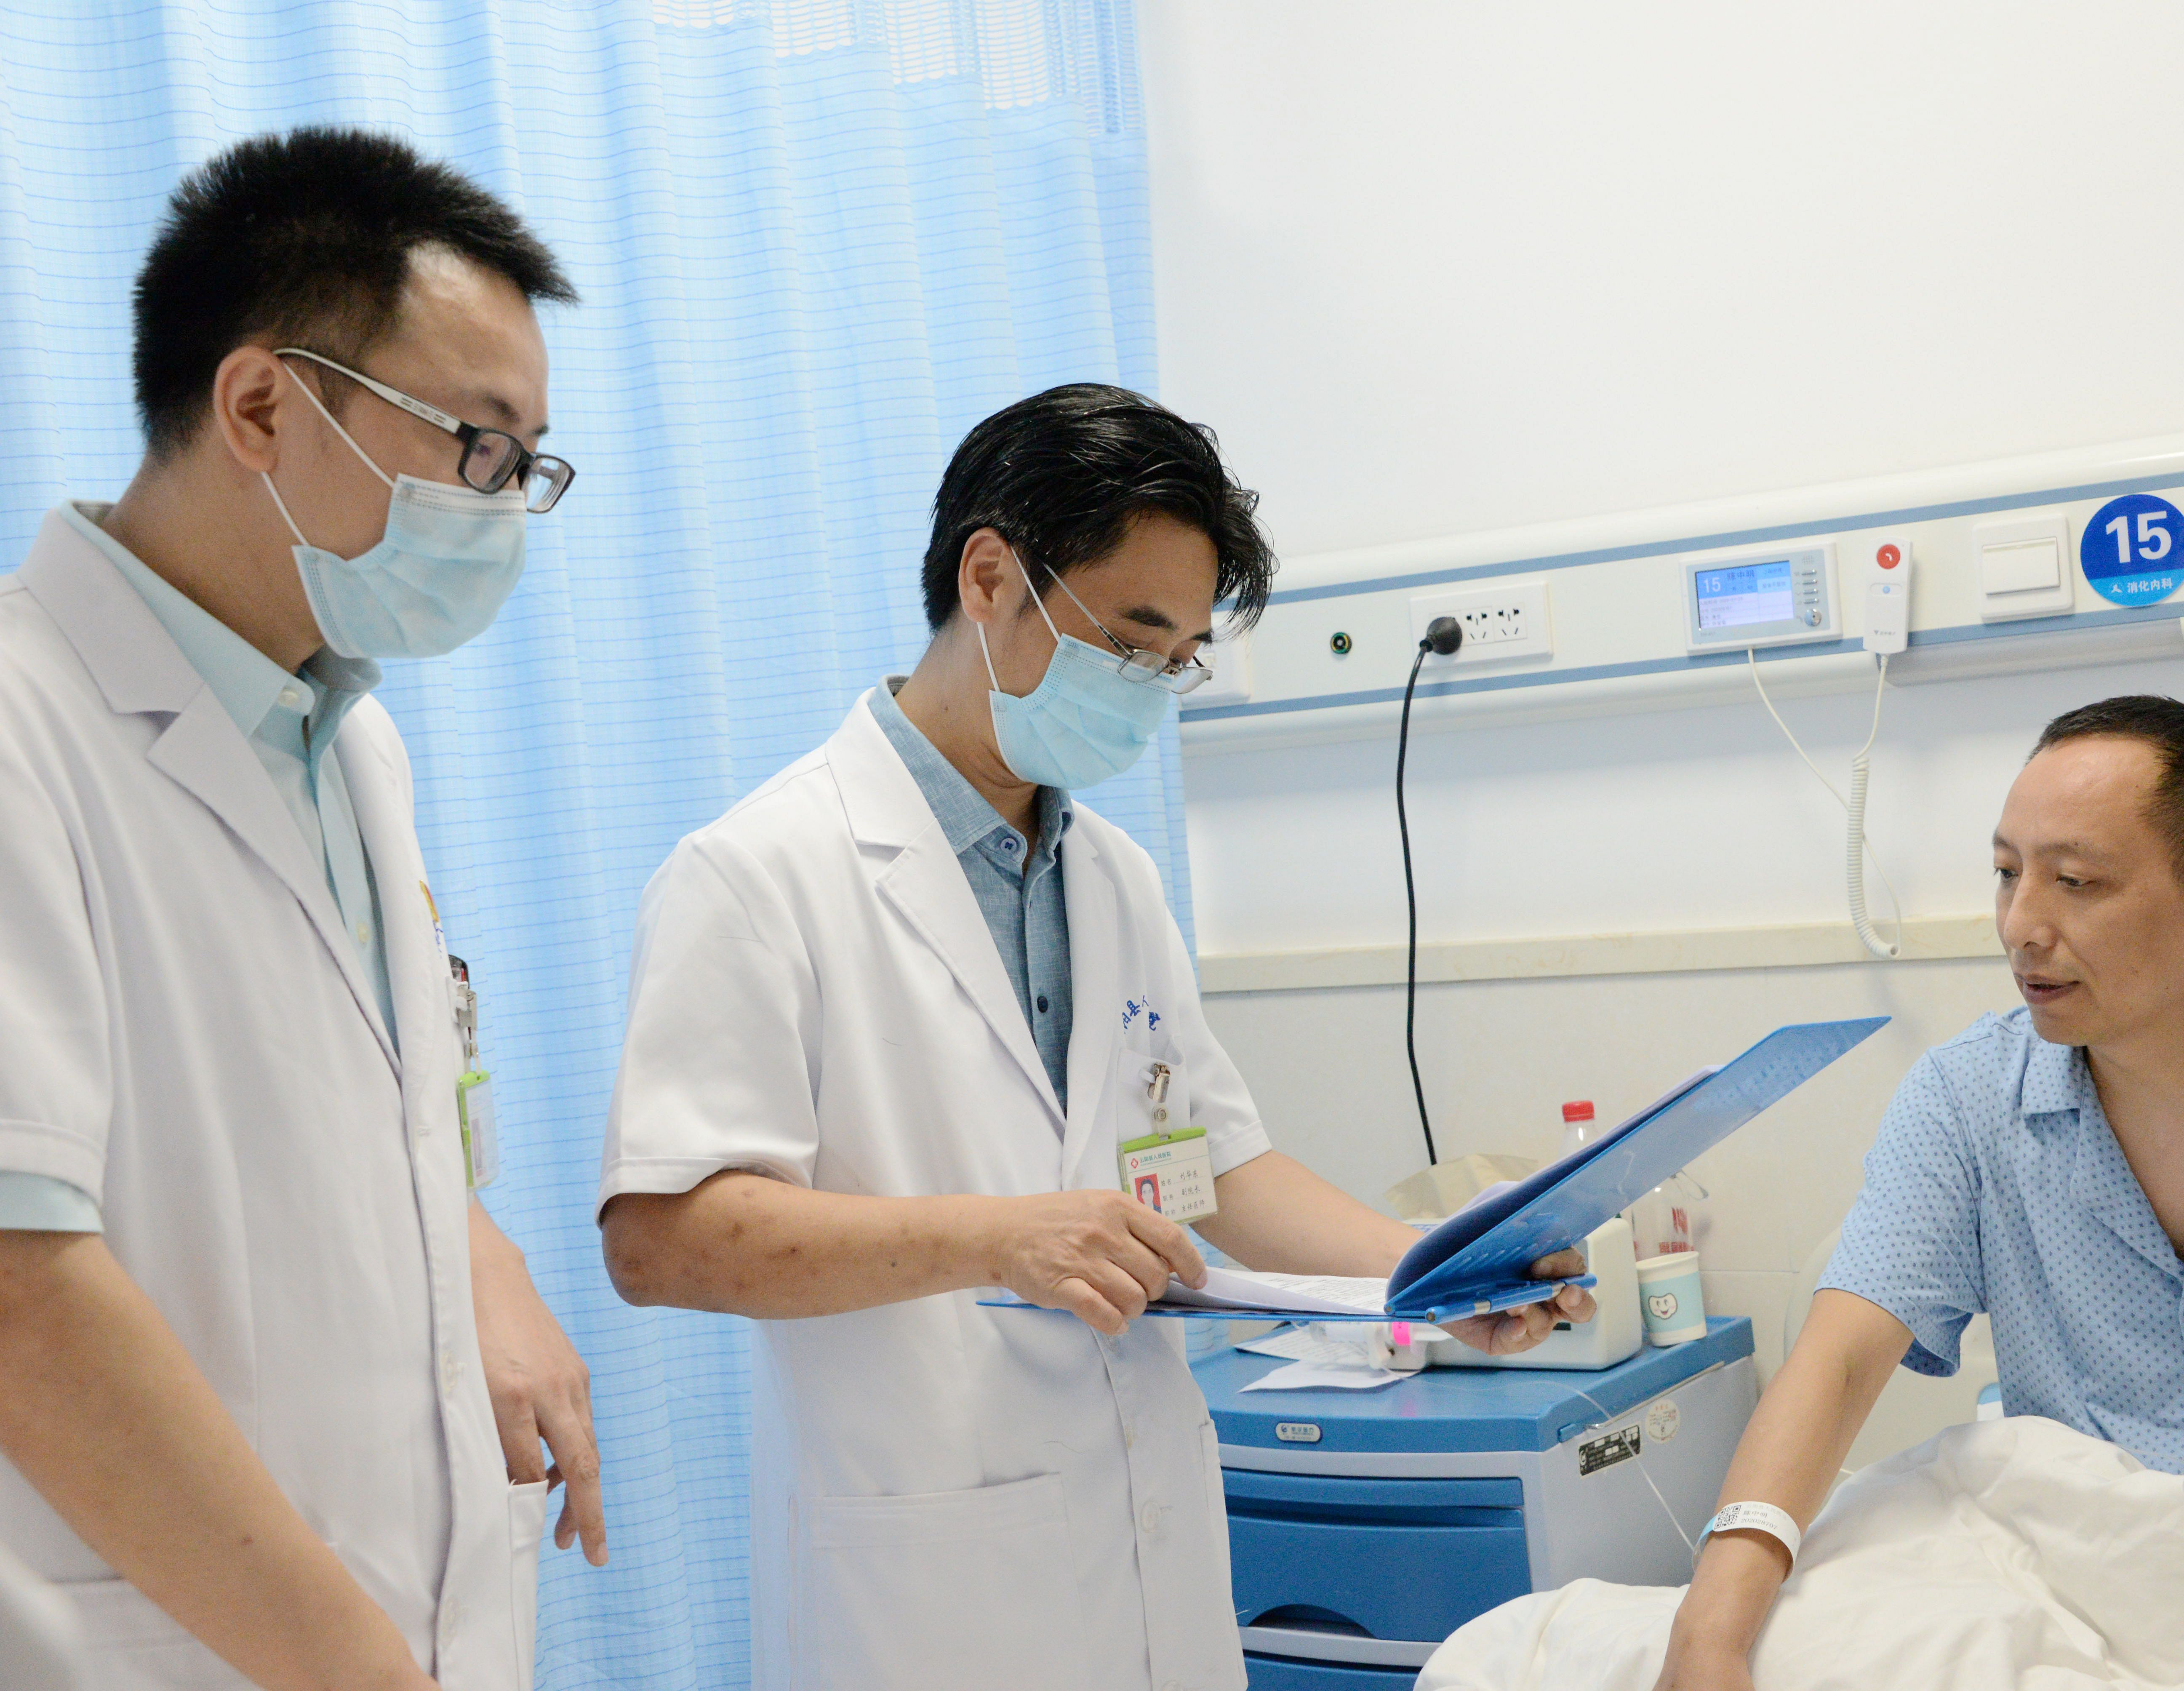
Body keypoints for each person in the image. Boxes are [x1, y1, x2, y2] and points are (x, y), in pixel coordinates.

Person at [597, 384, 1595, 1691]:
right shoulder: (756, 874)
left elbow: (1217, 1172)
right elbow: (662, 1239)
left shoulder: (1111, 876)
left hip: (1142, 1553)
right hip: (925, 1591)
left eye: (1179, 656)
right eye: (1129, 639)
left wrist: (1439, 1280)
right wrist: (998, 1236)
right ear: (991, 578)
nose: (1151, 686)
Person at [0, 129, 606, 1691]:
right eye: (478, 447)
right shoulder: (21, 726)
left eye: (527, 465)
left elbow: (361, 1115)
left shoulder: (350, 742)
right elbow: (21, 1287)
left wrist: (476, 1252)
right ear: (262, 405)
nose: (502, 508)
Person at [1655, 696, 2184, 1691]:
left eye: (2074, 882)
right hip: (2076, 1595)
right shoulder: (1965, 1097)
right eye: (2006, 873)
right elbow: (1840, 1359)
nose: (2020, 925)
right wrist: (1709, 1631)